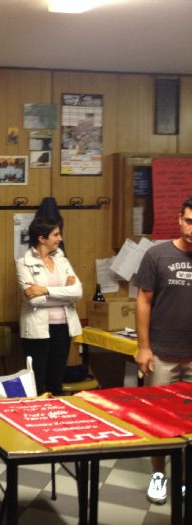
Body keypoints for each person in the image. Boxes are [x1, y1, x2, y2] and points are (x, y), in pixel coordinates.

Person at [134, 196, 192, 505]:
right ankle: (159, 475)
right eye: (189, 221)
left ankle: (185, 479)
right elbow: (143, 301)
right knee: (158, 419)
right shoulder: (157, 255)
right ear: (180, 220)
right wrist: (143, 347)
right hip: (162, 353)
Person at [16, 217, 83, 395]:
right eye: (56, 235)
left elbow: (78, 292)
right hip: (36, 330)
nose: (60, 238)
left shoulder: (62, 260)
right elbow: (34, 300)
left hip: (63, 327)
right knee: (37, 384)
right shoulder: (23, 262)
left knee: (56, 382)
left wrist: (44, 290)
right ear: (41, 238)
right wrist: (65, 293)